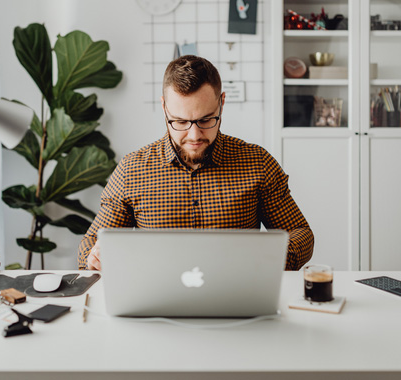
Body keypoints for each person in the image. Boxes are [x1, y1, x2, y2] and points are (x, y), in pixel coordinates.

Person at [78, 55, 313, 270]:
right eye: (180, 122)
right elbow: (91, 242)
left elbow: (300, 233)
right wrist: (94, 256)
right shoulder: (132, 170)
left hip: (237, 299)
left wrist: (272, 259)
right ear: (164, 108)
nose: (194, 136)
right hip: (156, 302)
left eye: (206, 120)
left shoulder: (257, 163)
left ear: (221, 103)